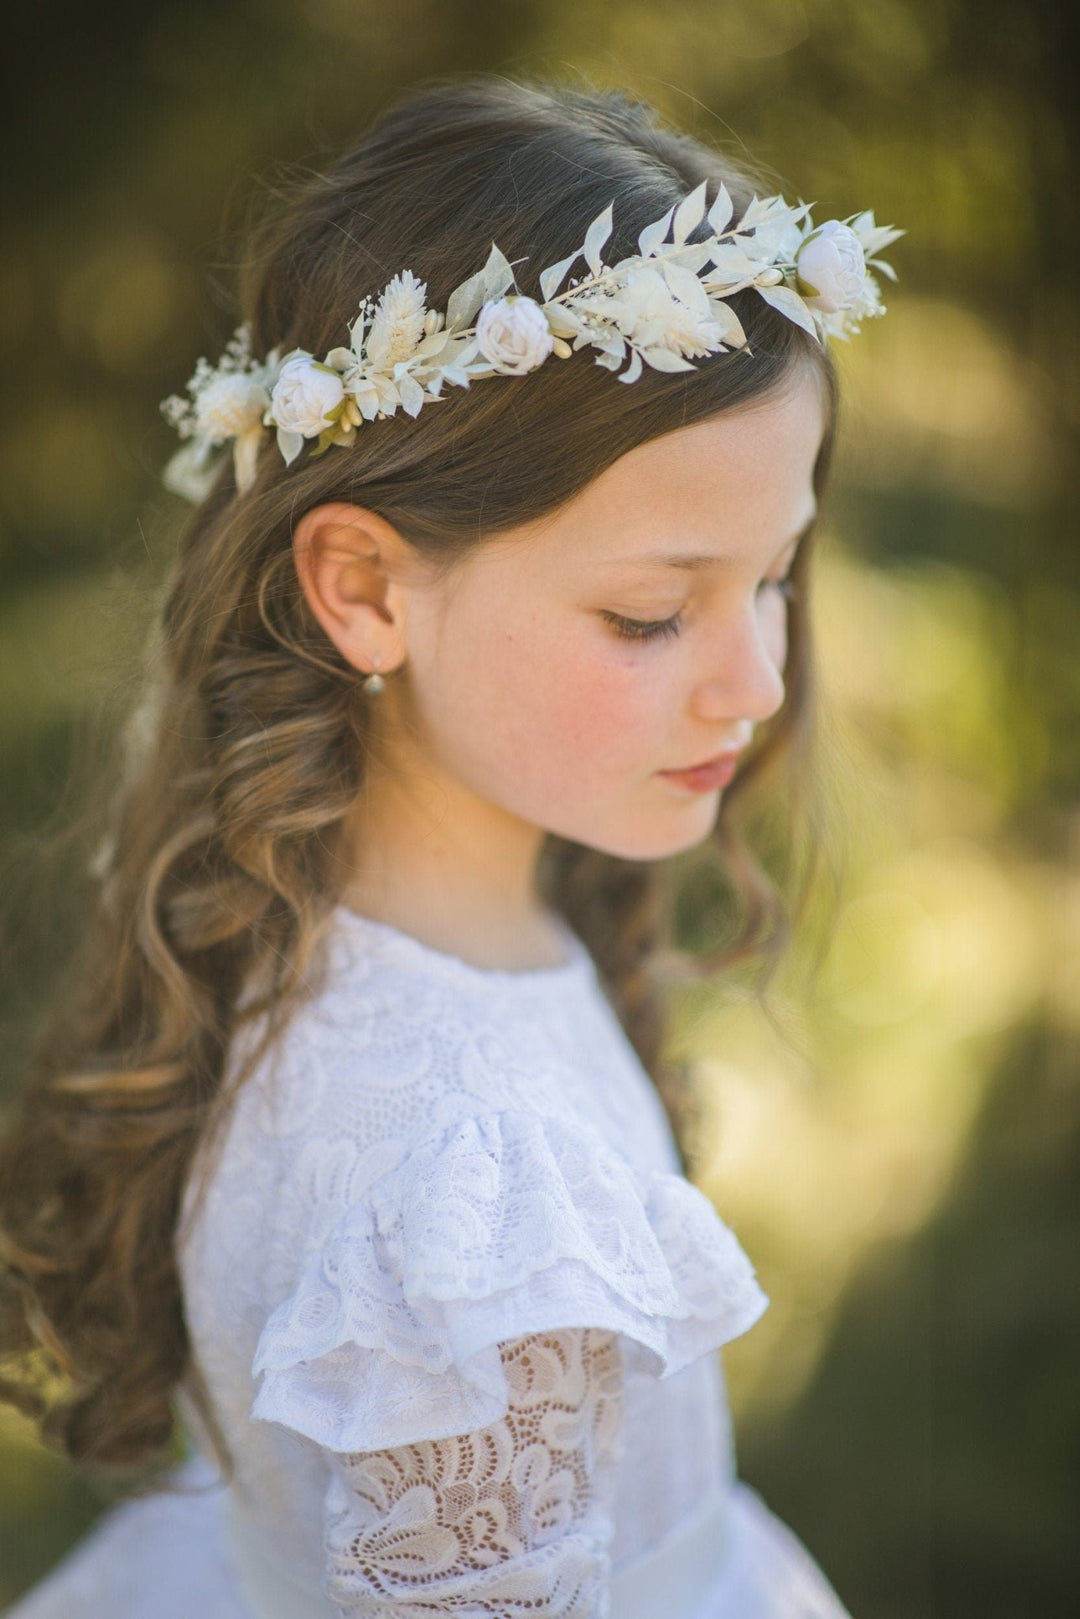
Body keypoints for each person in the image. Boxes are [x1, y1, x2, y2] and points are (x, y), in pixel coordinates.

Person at [0, 73, 902, 1619]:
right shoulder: (465, 1194)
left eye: (775, 577)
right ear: (364, 589)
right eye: (650, 611)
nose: (756, 680)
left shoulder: (309, 923)